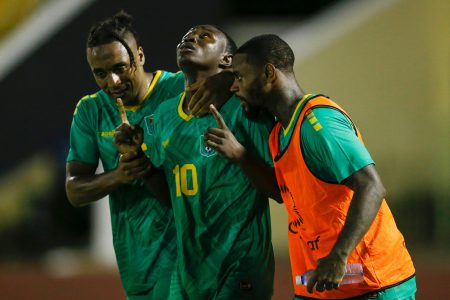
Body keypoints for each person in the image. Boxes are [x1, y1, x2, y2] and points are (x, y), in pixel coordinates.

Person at [205, 34, 416, 299]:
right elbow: (285, 194)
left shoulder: (318, 124)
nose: (235, 87)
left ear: (269, 74)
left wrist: (338, 256)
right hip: (320, 285)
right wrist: (241, 156)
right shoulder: (279, 133)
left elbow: (371, 186)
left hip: (370, 283)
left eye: (240, 77)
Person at [65, 11, 232, 299]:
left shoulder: (179, 88)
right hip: (137, 257)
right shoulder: (91, 111)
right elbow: (75, 190)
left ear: (140, 56)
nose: (113, 81)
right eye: (100, 73)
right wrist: (121, 174)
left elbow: (244, 75)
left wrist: (225, 78)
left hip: (190, 249)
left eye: (120, 67)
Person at [118, 25, 277, 299]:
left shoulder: (246, 108)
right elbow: (173, 197)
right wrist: (138, 159)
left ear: (227, 59)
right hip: (189, 270)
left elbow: (280, 190)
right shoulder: (165, 114)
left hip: (239, 265)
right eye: (186, 37)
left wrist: (240, 154)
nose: (190, 39)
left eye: (204, 37)